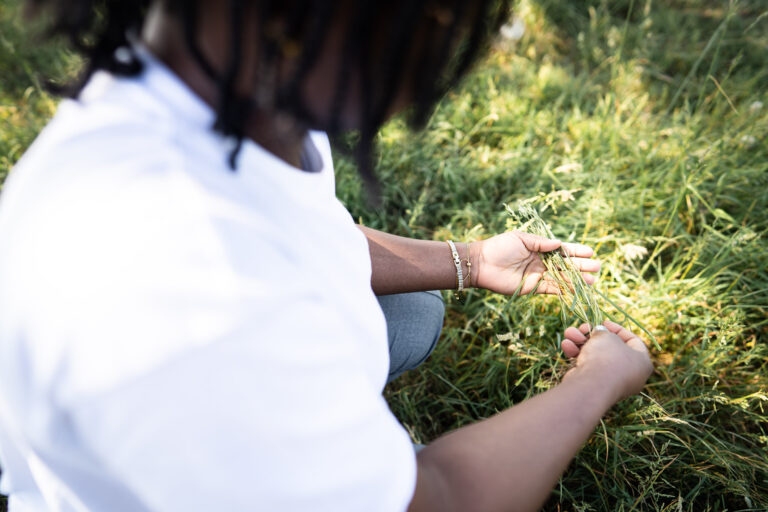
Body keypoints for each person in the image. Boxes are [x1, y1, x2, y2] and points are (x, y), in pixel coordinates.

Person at [0, 1, 653, 511]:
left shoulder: (224, 87)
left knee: (415, 314)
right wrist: (596, 381)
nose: (450, 50)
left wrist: (474, 260)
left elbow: (300, 230)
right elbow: (442, 500)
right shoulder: (184, 287)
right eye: (443, 20)